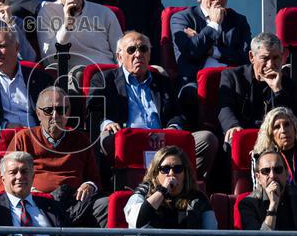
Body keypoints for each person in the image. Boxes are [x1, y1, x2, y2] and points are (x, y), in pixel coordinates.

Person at [92, 31, 218, 179]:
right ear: (120, 57)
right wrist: (108, 122)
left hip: (164, 142)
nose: (138, 54)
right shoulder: (105, 79)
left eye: (143, 49)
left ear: (149, 55)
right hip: (130, 141)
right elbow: (94, 109)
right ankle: (126, 182)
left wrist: (172, 128)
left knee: (207, 139)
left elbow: (176, 113)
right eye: (131, 50)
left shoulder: (162, 81)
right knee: (108, 138)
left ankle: (181, 183)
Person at [0, 87, 104, 229]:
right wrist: (26, 190)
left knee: (105, 204)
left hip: (75, 202)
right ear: (38, 113)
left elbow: (96, 180)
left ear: (68, 112)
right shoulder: (24, 138)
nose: (55, 116)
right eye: (48, 110)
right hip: (35, 202)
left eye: (61, 110)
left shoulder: (81, 140)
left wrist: (89, 185)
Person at [121, 145, 219, 236]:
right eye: (165, 169)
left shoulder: (198, 198)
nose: (171, 173)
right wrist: (162, 191)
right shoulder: (142, 192)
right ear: (155, 172)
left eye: (177, 169)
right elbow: (137, 221)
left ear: (185, 173)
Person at [36, 0, 122, 76]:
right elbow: (49, 60)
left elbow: (121, 54)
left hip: (108, 73)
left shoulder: (105, 13)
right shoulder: (47, 12)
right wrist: (67, 24)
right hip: (74, 77)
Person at [170, 0, 251, 86]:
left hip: (232, 83)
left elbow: (246, 59)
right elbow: (191, 50)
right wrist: (214, 24)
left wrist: (213, 51)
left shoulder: (238, 21)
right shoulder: (182, 18)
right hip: (195, 83)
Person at [0, 151, 71, 236]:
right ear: (3, 179)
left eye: (24, 171)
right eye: (13, 172)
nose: (19, 177)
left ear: (32, 177)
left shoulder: (53, 206)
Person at [218, 32, 297, 144]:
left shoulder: (287, 84)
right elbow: (225, 108)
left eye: (276, 58)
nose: (270, 65)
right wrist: (233, 126)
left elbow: (293, 119)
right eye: (265, 58)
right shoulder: (232, 76)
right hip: (242, 136)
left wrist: (277, 90)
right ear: (252, 57)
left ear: (282, 56)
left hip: (274, 140)